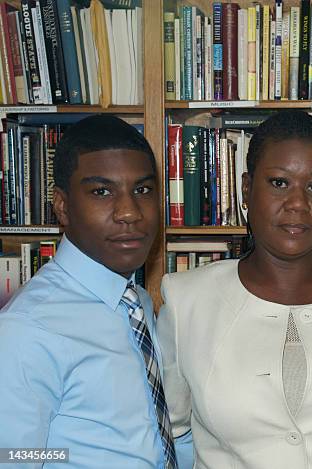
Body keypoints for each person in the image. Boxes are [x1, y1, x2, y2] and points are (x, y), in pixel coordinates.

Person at [157, 110, 312, 469]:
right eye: (279, 183)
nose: (298, 203)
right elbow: (169, 435)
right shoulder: (185, 299)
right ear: (246, 189)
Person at [0, 115, 191, 469]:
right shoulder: (29, 328)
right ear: (62, 206)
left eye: (143, 190)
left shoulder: (135, 303)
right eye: (102, 192)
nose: (129, 213)